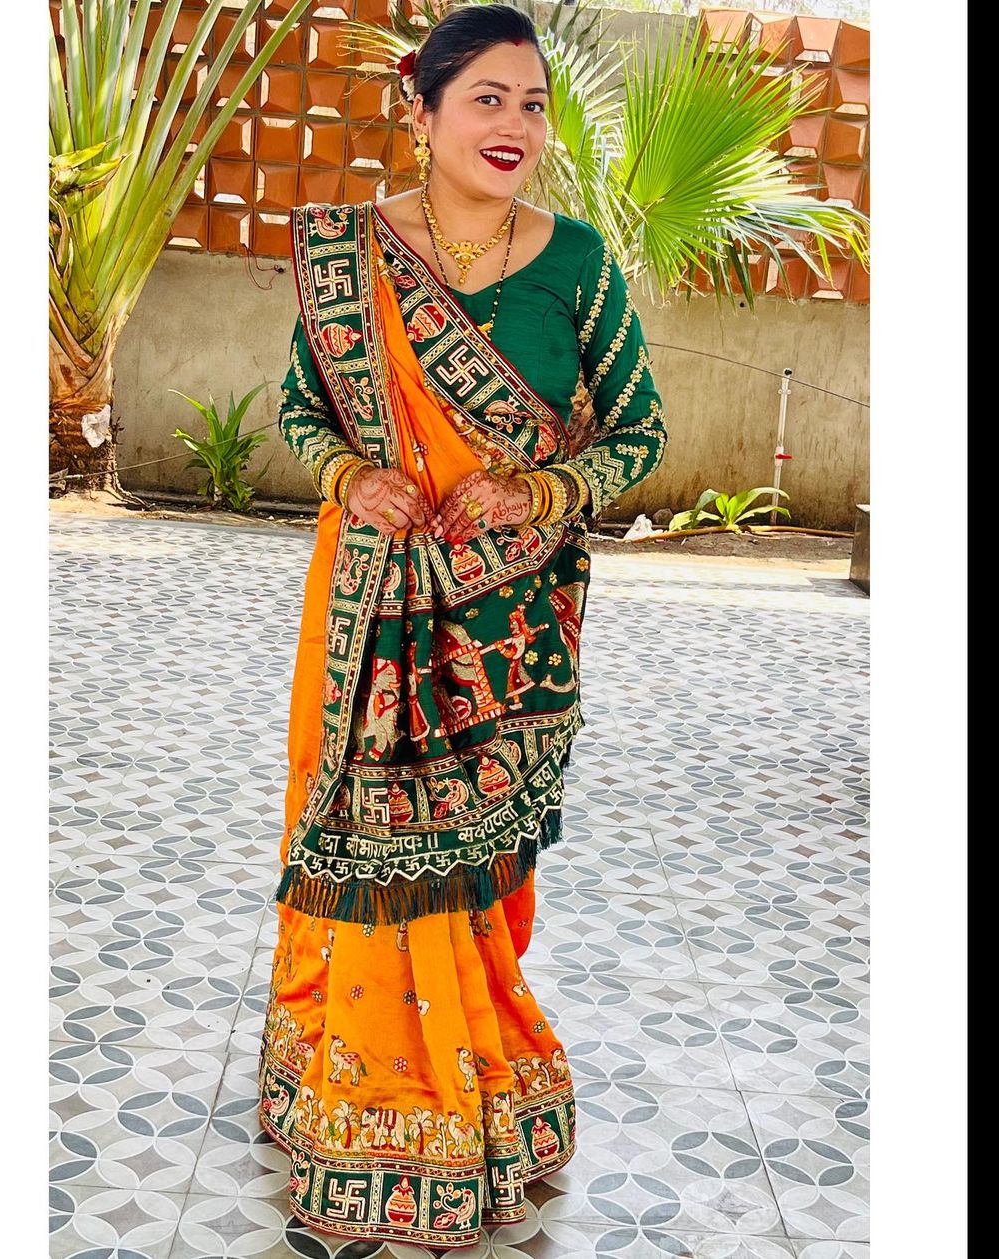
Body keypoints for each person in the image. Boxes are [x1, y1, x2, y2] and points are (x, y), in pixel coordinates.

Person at [257, 4, 667, 1248]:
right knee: (364, 835)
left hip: (513, 622)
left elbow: (638, 430)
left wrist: (541, 490)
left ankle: (479, 1066)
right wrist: (349, 475)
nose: (515, 125)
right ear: (422, 108)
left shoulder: (577, 260)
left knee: (480, 867)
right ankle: (364, 1086)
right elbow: (302, 408)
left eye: (532, 104)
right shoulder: (350, 254)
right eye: (487, 97)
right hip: (372, 604)